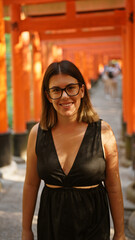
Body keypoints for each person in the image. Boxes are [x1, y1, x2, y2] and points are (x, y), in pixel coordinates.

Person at [22, 60, 126, 240]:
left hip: (93, 226)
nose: (64, 96)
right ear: (48, 96)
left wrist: (120, 233)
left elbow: (114, 186)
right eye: (56, 90)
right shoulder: (37, 134)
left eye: (71, 88)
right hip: (51, 226)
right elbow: (31, 185)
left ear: (82, 90)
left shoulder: (103, 132)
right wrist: (26, 230)